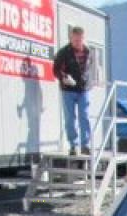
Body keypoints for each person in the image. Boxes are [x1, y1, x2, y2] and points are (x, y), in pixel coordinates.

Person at [53, 27, 94, 156]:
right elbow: (55, 69)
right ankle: (73, 145)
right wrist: (64, 77)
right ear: (71, 38)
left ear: (83, 38)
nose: (77, 42)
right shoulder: (64, 52)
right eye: (75, 40)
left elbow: (90, 69)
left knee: (84, 116)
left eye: (79, 40)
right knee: (70, 118)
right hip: (68, 90)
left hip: (84, 89)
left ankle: (85, 145)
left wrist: (91, 82)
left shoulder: (88, 52)